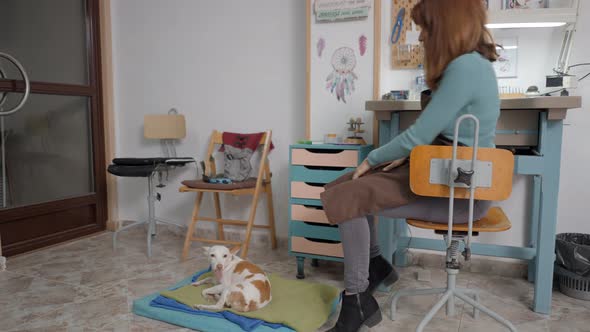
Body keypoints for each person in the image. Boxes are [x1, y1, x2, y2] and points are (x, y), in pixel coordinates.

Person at [322, 1, 500, 331]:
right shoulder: (473, 65)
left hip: (457, 191)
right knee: (338, 187)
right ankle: (375, 265)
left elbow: (418, 135)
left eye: (425, 28)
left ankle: (357, 298)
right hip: (445, 173)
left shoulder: (465, 67)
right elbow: (438, 136)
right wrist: (398, 157)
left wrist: (373, 159)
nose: (420, 38)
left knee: (347, 196)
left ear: (444, 27)